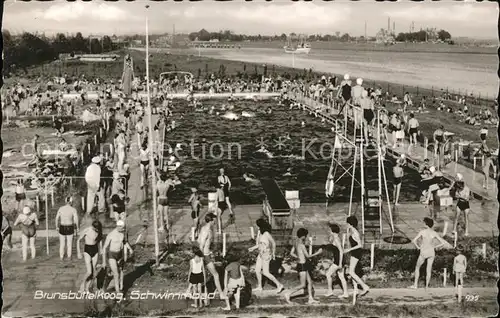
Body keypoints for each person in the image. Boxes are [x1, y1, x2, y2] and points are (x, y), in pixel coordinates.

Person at [285, 228, 322, 304]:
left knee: (310, 282)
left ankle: (310, 299)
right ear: (303, 236)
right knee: (303, 285)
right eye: (305, 236)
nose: (306, 237)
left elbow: (291, 253)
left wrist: (297, 257)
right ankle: (288, 293)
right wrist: (318, 253)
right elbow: (308, 256)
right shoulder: (301, 245)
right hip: (302, 265)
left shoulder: (296, 242)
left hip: (302, 264)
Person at [410, 217, 448, 289]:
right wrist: (435, 247)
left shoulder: (422, 232)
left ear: (426, 224)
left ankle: (415, 285)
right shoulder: (434, 233)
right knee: (428, 269)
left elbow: (414, 240)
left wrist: (418, 247)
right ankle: (427, 286)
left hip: (424, 251)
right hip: (431, 252)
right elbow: (443, 243)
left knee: (417, 267)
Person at [248, 219, 284, 293]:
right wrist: (253, 248)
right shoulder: (261, 233)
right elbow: (259, 244)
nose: (257, 228)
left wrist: (273, 253)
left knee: (265, 272)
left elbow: (273, 243)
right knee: (257, 270)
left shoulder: (267, 234)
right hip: (260, 254)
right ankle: (259, 286)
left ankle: (279, 285)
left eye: (258, 226)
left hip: (266, 255)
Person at [198, 213, 226, 299]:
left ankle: (190, 291)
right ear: (211, 220)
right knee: (216, 275)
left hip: (206, 254)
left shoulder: (205, 228)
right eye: (214, 220)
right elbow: (201, 244)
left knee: (198, 275)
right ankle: (221, 294)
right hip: (205, 256)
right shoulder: (206, 230)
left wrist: (210, 251)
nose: (215, 222)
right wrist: (201, 257)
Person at [103, 220, 133, 293]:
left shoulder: (122, 233)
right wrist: (104, 261)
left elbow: (124, 242)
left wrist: (130, 249)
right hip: (111, 255)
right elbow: (104, 248)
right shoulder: (111, 235)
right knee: (116, 274)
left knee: (119, 272)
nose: (124, 229)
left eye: (124, 228)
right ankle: (118, 291)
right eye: (122, 228)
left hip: (119, 255)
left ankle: (107, 285)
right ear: (118, 227)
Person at [344, 216, 370, 296]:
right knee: (353, 271)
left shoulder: (355, 232)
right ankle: (356, 290)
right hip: (354, 252)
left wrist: (349, 249)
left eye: (347, 223)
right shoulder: (351, 231)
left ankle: (364, 286)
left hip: (356, 253)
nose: (346, 224)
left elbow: (360, 245)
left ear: (350, 224)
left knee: (351, 272)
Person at [77, 220, 103, 292]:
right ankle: (82, 285)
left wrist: (101, 249)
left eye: (98, 229)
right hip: (87, 249)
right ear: (93, 226)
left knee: (94, 271)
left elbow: (100, 239)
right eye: (96, 229)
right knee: (89, 272)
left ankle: (87, 287)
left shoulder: (99, 230)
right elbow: (78, 240)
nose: (97, 230)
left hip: (95, 250)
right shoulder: (87, 230)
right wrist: (79, 252)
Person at [325, 222, 349, 298]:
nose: (329, 231)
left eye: (329, 230)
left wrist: (340, 263)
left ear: (332, 231)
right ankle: (346, 293)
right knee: (341, 276)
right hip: (339, 260)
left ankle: (330, 291)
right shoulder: (336, 238)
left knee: (328, 274)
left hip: (339, 261)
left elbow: (341, 251)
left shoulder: (336, 239)